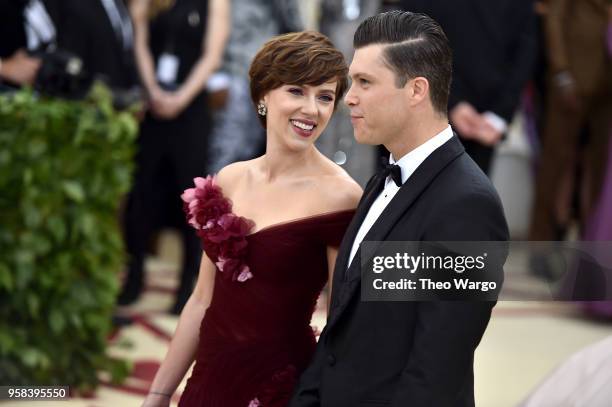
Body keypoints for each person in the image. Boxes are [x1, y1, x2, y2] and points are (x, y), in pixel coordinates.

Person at [289, 11, 509, 407]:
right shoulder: (382, 180)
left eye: (365, 82)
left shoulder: (470, 207)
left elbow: (436, 371)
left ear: (416, 90)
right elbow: (342, 331)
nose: (348, 96)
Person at [142, 31, 362, 407]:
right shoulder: (230, 178)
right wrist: (159, 393)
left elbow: (345, 325)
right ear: (263, 96)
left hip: (280, 389)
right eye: (296, 91)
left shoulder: (341, 196)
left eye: (325, 96)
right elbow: (201, 301)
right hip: (209, 382)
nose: (312, 109)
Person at [118, 0, 230, 313]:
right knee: (140, 194)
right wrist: (152, 90)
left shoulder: (216, 3)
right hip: (151, 106)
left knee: (191, 199)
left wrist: (181, 98)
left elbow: (212, 56)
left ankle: (185, 286)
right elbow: (138, 39)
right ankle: (133, 278)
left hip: (191, 107)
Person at [399, 0, 537, 175]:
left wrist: (498, 115)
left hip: (474, 114)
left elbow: (526, 44)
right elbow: (410, 34)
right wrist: (498, 113)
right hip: (434, 109)